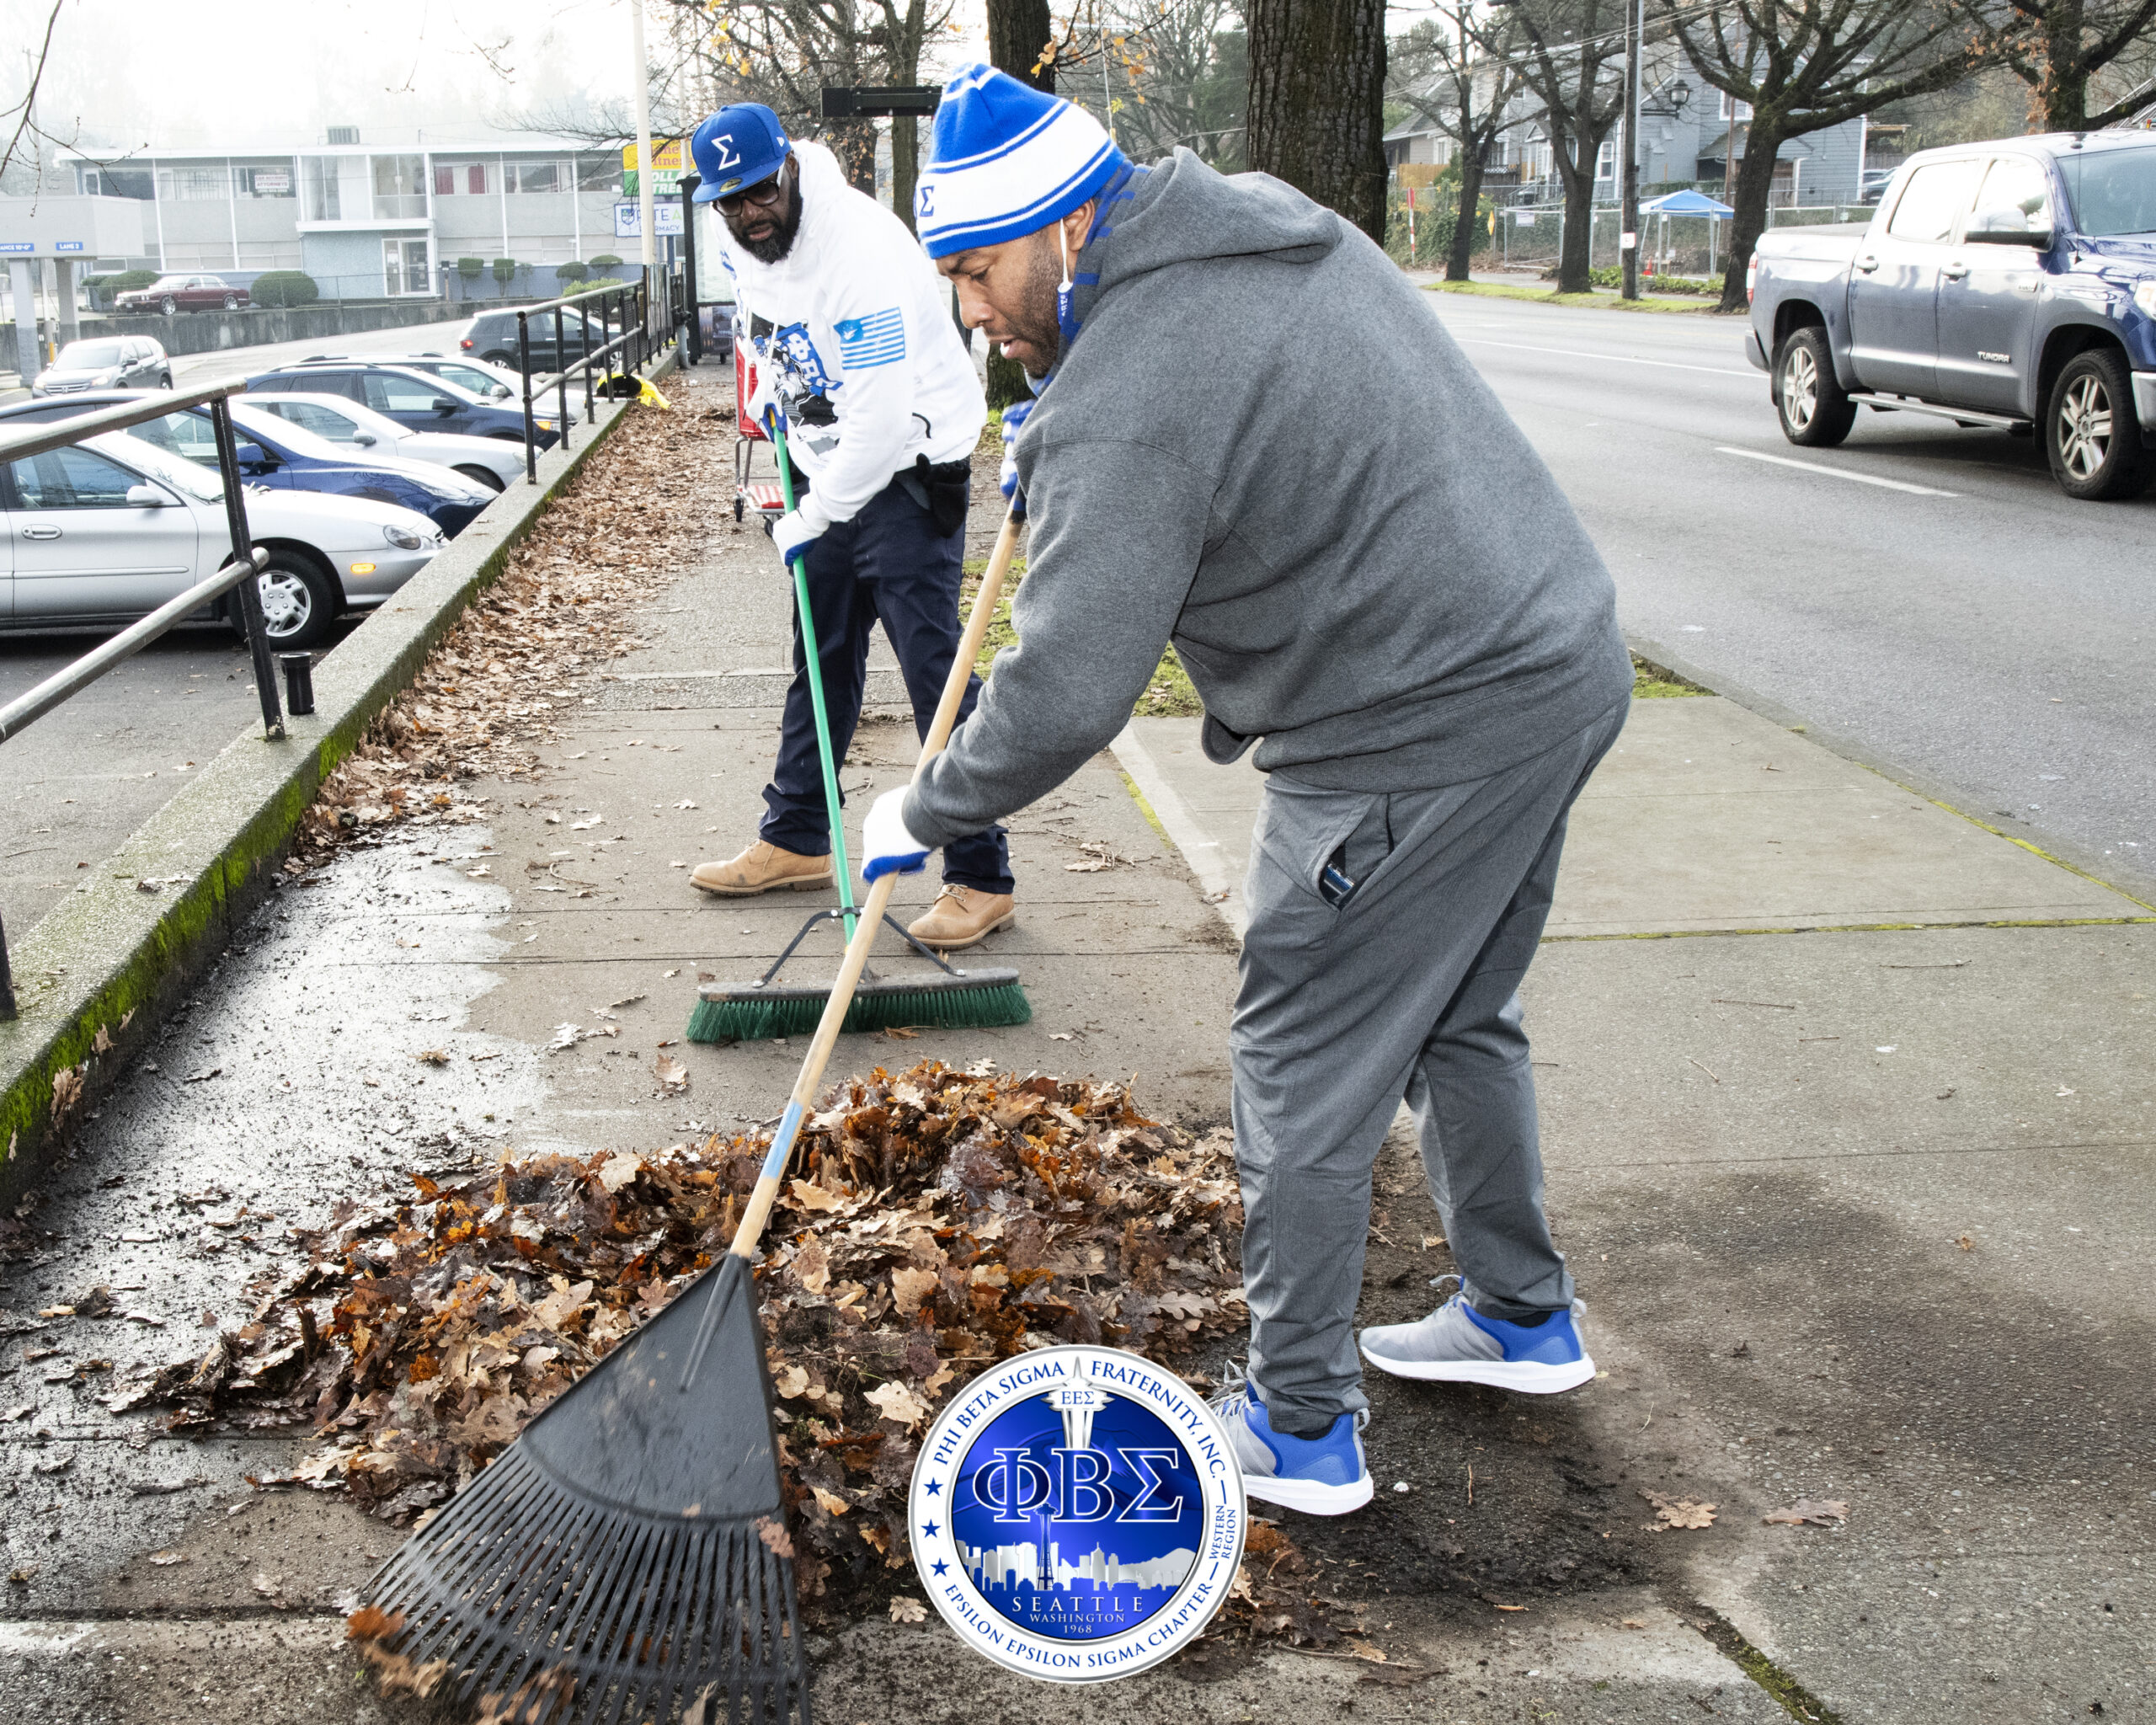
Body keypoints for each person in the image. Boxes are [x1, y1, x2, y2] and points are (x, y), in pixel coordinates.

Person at [857, 64, 1634, 1516]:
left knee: (1300, 1062)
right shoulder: (1256, 222)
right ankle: (1521, 1315)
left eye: (977, 273)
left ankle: (1300, 1426)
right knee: (1460, 1005)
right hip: (1555, 656)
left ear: (1068, 233)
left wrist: (921, 806)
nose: (972, 312)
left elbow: (1072, 688)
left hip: (1419, 726)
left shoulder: (1134, 390)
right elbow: (1222, 414)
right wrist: (1066, 419)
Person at [685, 102, 1017, 949]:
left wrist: (810, 515)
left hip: (906, 465)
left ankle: (981, 876)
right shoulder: (741, 239)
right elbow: (765, 320)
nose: (751, 213)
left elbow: (875, 425)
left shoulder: (860, 251)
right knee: (820, 659)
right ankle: (795, 835)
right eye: (731, 201)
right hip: (829, 460)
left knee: (933, 674)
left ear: (788, 171)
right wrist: (772, 392)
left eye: (761, 192)